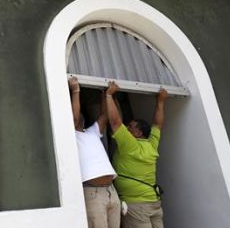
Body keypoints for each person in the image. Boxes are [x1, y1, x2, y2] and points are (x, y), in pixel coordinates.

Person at [105, 81, 168, 228]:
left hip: (137, 206)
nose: (127, 128)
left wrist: (108, 95)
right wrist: (161, 101)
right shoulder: (152, 145)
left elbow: (115, 122)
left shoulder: (130, 145)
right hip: (154, 203)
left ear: (138, 133)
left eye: (131, 127)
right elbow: (157, 124)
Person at [69, 76, 120, 228]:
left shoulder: (91, 132)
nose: (79, 119)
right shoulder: (72, 135)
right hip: (93, 193)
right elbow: (74, 117)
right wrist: (76, 90)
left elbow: (104, 116)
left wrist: (105, 93)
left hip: (111, 190)